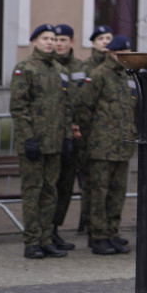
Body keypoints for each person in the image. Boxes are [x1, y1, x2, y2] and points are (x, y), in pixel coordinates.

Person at [10, 23, 73, 259]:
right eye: (45, 38)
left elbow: (66, 107)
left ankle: (46, 239)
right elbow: (19, 107)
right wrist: (28, 139)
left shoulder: (59, 70)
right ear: (34, 41)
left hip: (55, 143)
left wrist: (67, 137)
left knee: (50, 192)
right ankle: (32, 241)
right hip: (34, 143)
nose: (50, 42)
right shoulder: (25, 68)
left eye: (53, 38)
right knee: (32, 192)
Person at [75, 35, 137, 255]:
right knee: (98, 192)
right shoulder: (100, 74)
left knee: (117, 192)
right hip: (101, 145)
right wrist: (92, 135)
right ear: (112, 53)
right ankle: (98, 235)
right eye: (123, 54)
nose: (127, 57)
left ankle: (111, 231)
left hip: (122, 145)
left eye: (129, 53)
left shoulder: (128, 76)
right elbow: (83, 106)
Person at [50, 23, 85, 250]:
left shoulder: (81, 67)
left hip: (76, 138)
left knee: (65, 187)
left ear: (72, 42)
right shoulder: (47, 66)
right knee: (50, 186)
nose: (59, 44)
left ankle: (55, 229)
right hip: (53, 137)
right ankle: (46, 231)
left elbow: (85, 101)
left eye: (64, 40)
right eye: (56, 40)